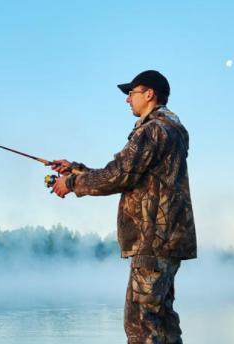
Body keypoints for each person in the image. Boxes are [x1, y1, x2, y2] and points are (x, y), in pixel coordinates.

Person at [50, 70, 197, 344]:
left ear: (150, 94)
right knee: (161, 322)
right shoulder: (170, 130)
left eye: (132, 92)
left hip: (151, 241)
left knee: (141, 327)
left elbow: (118, 175)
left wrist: (71, 183)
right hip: (167, 241)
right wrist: (76, 170)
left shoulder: (153, 130)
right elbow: (132, 176)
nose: (128, 99)